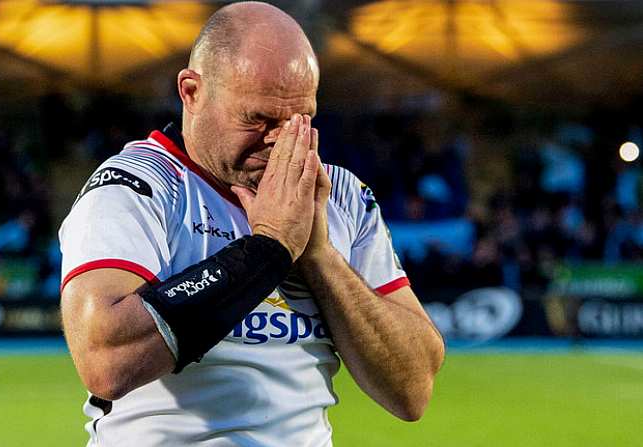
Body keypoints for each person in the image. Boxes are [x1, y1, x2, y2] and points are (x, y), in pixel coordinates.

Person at [59, 2, 445, 445]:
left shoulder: (341, 196)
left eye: (298, 120)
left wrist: (319, 256)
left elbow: (413, 390)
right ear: (191, 92)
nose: (278, 139)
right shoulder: (136, 187)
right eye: (258, 119)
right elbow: (106, 361)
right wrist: (269, 248)